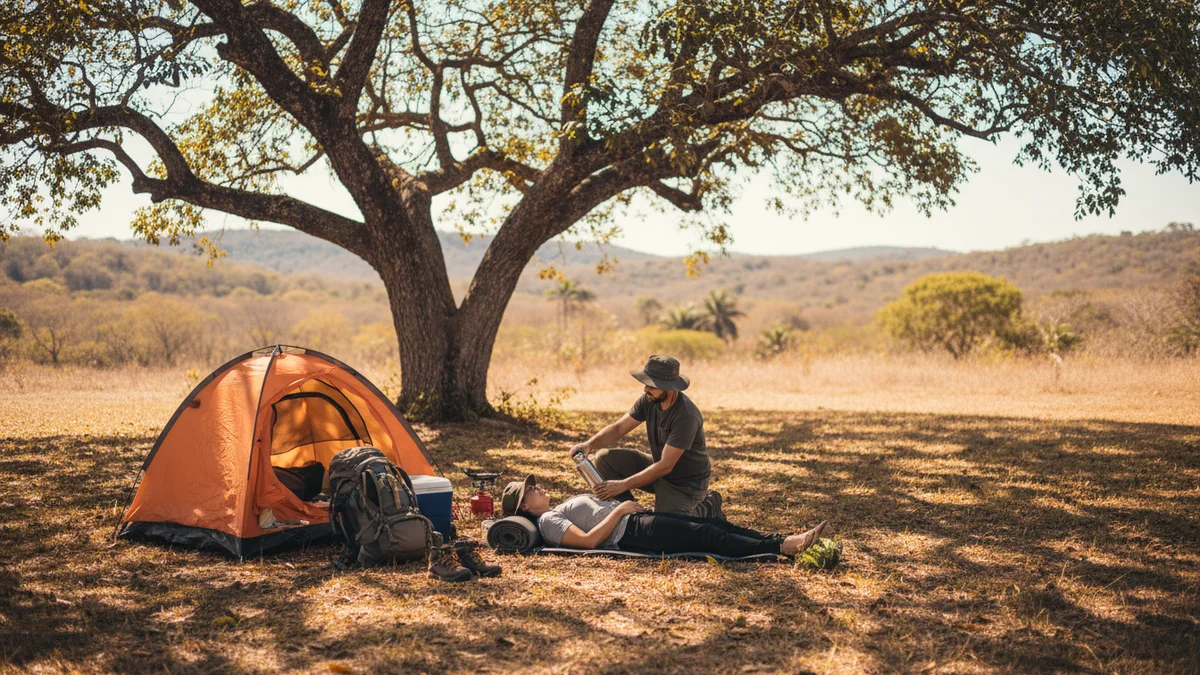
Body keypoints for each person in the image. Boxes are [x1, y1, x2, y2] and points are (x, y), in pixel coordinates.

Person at [500, 475, 828, 558]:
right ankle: (783, 548)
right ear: (525, 507)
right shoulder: (547, 522)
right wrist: (623, 510)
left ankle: (782, 540)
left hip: (636, 523)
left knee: (714, 524)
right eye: (531, 490)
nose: (538, 488)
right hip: (632, 533)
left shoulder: (554, 511)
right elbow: (588, 542)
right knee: (708, 538)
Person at [569, 354, 721, 518]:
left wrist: (622, 485)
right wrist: (589, 444)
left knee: (666, 527)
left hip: (685, 484)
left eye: (652, 385)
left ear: (669, 387)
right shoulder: (649, 400)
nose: (645, 389)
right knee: (604, 458)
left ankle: (707, 506)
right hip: (659, 470)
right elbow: (619, 428)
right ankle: (626, 513)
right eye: (645, 383)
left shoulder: (686, 416)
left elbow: (665, 466)